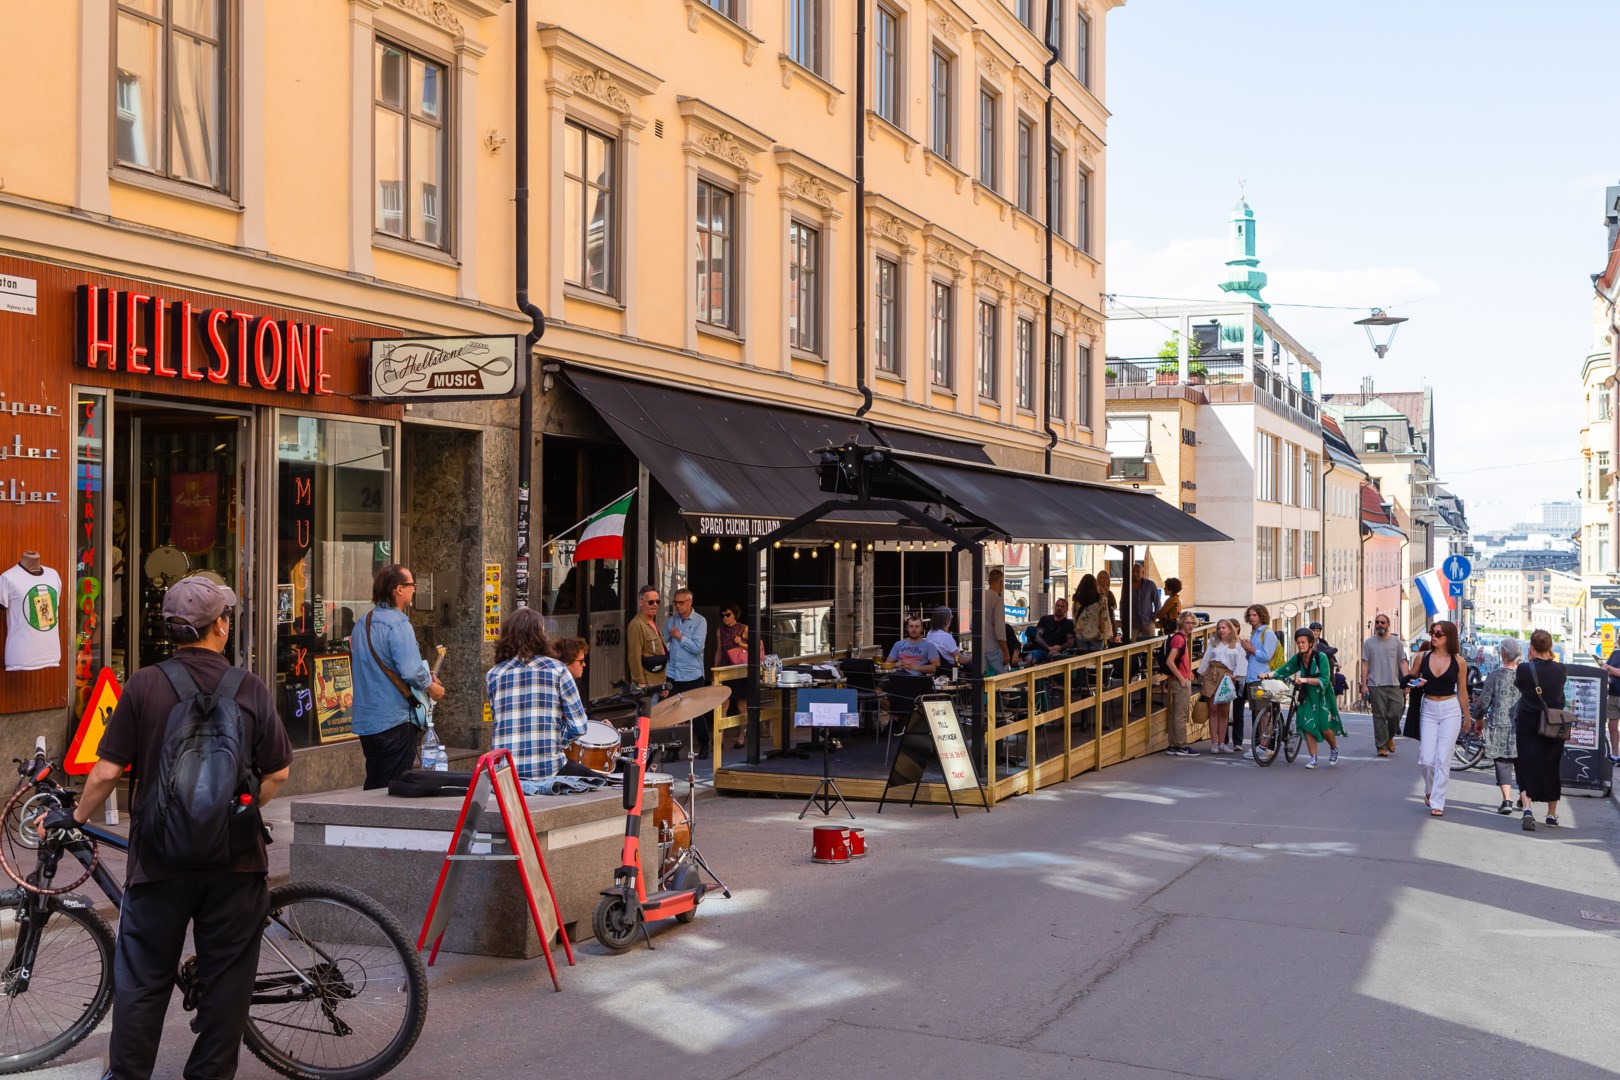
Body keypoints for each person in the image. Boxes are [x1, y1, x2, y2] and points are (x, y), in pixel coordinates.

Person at [38, 576, 292, 1079]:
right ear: (219, 625)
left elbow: (107, 772)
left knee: (143, 980)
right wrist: (234, 815)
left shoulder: (145, 685)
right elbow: (278, 772)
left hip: (159, 861)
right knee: (227, 981)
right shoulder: (249, 686)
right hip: (234, 864)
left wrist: (76, 817)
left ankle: (129, 1074)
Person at [349, 564, 444, 790]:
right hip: (395, 720)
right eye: (411, 585)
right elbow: (411, 671)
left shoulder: (363, 623)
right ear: (398, 589)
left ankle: (366, 824)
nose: (414, 589)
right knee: (394, 786)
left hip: (368, 721)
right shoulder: (399, 623)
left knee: (376, 782)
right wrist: (432, 687)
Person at [487, 608, 592, 780]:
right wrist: (556, 740)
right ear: (541, 635)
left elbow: (499, 720)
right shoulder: (558, 670)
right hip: (547, 770)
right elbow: (579, 726)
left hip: (505, 774)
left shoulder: (493, 675)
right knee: (597, 783)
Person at [1412, 620, 1470, 816]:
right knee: (1426, 759)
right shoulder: (1422, 657)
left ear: (1449, 638)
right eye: (1432, 632)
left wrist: (1467, 717)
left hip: (1450, 709)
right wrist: (1414, 684)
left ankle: (1438, 802)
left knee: (1443, 758)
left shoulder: (1459, 662)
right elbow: (1409, 681)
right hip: (1428, 707)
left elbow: (1462, 692)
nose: (1433, 636)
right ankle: (1429, 790)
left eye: (1438, 634)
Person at [1515, 629, 1566, 831]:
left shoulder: (1524, 669)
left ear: (1532, 648)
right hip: (1553, 725)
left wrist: (1530, 660)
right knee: (1551, 767)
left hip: (1528, 723)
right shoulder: (1561, 669)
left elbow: (1520, 686)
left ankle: (1527, 808)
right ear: (1550, 647)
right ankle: (1551, 814)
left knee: (1525, 765)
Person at [1274, 627, 1345, 769]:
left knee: (1325, 727)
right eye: (1298, 642)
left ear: (1311, 643)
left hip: (1322, 695)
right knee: (1307, 724)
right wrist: (1268, 675)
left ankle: (1334, 748)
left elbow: (1324, 679)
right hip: (1306, 695)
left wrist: (1305, 680)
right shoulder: (1299, 657)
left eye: (1303, 642)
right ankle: (1313, 758)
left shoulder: (1321, 657)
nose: (1300, 645)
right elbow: (1284, 669)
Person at [1469, 638, 1522, 814]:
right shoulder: (1524, 676)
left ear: (1503, 654)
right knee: (1522, 762)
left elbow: (1484, 701)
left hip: (1499, 724)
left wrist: (1478, 718)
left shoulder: (1495, 675)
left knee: (1502, 762)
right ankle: (1524, 797)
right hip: (1521, 725)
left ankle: (1507, 800)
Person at [664, 586, 711, 758]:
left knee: (695, 712)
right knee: (672, 712)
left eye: (681, 602)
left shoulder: (700, 621)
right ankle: (672, 750)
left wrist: (680, 637)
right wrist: (670, 638)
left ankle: (705, 743)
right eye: (675, 602)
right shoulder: (672, 620)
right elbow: (664, 640)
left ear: (690, 602)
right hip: (673, 673)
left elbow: (698, 648)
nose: (677, 606)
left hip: (692, 674)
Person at [1232, 604, 1280, 753]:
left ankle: (1264, 745)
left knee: (1264, 713)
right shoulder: (1255, 633)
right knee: (1257, 712)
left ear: (1261, 616)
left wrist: (1251, 648)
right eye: (1250, 615)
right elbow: (1252, 656)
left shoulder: (1268, 633)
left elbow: (1266, 656)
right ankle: (1261, 744)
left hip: (1263, 677)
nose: (1252, 618)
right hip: (1252, 677)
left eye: (1255, 615)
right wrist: (1248, 650)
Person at [1360, 614, 1409, 757]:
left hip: (1394, 685)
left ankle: (1389, 736)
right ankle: (1381, 746)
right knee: (1379, 716)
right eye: (1377, 622)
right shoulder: (1368, 643)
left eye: (1382, 622)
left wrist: (1407, 681)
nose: (1379, 624)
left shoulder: (1396, 642)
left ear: (1388, 624)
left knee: (1396, 713)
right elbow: (1365, 663)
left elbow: (1402, 661)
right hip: (1376, 685)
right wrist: (1364, 685)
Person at [1197, 618, 1245, 753]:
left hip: (1227, 676)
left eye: (1223, 628)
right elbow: (1206, 659)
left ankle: (1222, 743)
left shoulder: (1237, 646)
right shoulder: (1212, 643)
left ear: (1230, 629)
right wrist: (1201, 676)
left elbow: (1240, 662)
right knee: (1213, 709)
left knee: (1224, 711)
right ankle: (1214, 743)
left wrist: (1236, 676)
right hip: (1211, 675)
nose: (1221, 630)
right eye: (1219, 628)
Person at [1164, 612, 1200, 757]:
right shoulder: (1179, 639)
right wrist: (1182, 678)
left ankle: (1173, 745)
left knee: (1175, 714)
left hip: (1179, 679)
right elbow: (1170, 661)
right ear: (1181, 623)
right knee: (1181, 714)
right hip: (1180, 681)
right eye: (1188, 623)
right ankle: (1182, 746)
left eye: (1192, 623)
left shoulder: (1180, 638)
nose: (1191, 625)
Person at [627, 584, 668, 688]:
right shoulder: (637, 625)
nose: (655, 605)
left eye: (657, 602)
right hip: (648, 684)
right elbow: (634, 656)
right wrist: (640, 682)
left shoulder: (652, 623)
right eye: (651, 602)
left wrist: (663, 684)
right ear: (641, 603)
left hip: (659, 681)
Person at [1027, 597, 1075, 663]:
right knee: (1028, 659)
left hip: (1059, 652)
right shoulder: (1045, 619)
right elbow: (1038, 637)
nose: (1059, 608)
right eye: (1058, 606)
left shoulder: (1069, 624)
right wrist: (1049, 648)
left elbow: (1070, 641)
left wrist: (1060, 647)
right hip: (1041, 650)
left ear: (1066, 609)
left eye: (1062, 606)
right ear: (1055, 607)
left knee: (1056, 660)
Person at [1073, 574, 1113, 653]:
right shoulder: (1101, 598)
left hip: (1081, 633)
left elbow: (1075, 615)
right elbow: (1104, 616)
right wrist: (1105, 633)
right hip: (1096, 634)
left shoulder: (1077, 599)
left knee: (1083, 659)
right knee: (1095, 660)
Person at [1595, 642, 1620, 766]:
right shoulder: (1615, 654)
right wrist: (1609, 669)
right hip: (1613, 694)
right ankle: (1615, 755)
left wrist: (1610, 669)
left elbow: (1610, 669)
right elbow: (1604, 669)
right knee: (1612, 726)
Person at [983, 567, 1009, 674]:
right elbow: (1000, 630)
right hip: (993, 647)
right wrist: (1005, 651)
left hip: (980, 647)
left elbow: (971, 624)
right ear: (1001, 582)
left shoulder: (981, 597)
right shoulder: (997, 600)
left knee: (981, 680)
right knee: (1005, 679)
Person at [1130, 562, 1161, 642]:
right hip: (1133, 623)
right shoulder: (1127, 585)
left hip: (1147, 621)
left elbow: (1157, 602)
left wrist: (1155, 616)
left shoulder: (1150, 585)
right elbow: (1123, 602)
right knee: (1131, 646)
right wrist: (1123, 618)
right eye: (1133, 572)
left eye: (1137, 571)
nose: (1135, 574)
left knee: (1150, 645)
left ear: (1142, 573)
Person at [1096, 570, 1121, 643]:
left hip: (1109, 621)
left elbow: (1112, 610)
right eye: (1102, 577)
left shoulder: (1110, 594)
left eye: (1107, 578)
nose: (1104, 580)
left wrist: (1114, 626)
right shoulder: (1095, 593)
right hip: (1098, 623)